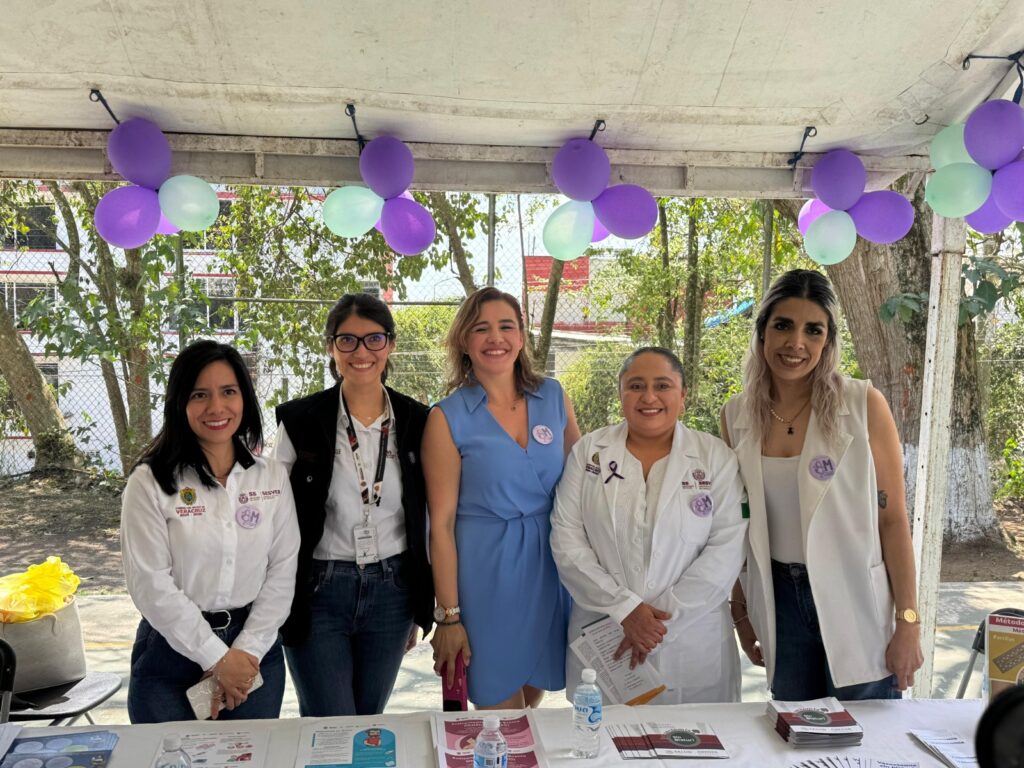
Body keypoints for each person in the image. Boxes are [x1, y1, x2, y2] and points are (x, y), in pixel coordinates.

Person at [721, 269, 923, 701]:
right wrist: (741, 611)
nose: (796, 343)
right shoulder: (735, 416)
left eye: (813, 330)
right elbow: (735, 527)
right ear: (762, 332)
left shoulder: (863, 404)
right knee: (796, 730)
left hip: (855, 596)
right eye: (783, 325)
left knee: (867, 733)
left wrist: (908, 621)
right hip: (778, 600)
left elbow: (892, 519)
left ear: (828, 342)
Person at [551, 347, 746, 704]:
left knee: (695, 736)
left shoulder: (715, 457)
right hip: (606, 634)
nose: (649, 397)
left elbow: (727, 548)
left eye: (663, 385)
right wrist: (625, 609)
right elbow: (567, 539)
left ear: (683, 394)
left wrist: (654, 625)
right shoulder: (589, 452)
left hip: (691, 641)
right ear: (621, 393)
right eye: (636, 386)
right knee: (605, 737)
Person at [272, 293, 433, 716]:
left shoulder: (417, 421)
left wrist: (420, 602)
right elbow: (272, 511)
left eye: (374, 339)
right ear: (331, 347)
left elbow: (431, 515)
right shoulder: (300, 421)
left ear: (390, 344)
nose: (361, 352)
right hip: (319, 588)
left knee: (368, 722)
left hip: (393, 591)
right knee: (330, 723)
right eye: (347, 340)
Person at [121, 340, 299, 723]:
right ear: (179, 403)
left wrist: (244, 653)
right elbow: (150, 583)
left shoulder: (271, 477)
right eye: (199, 395)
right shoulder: (149, 483)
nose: (217, 407)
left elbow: (283, 571)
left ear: (245, 398)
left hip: (255, 651)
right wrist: (215, 657)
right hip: (170, 655)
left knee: (254, 754)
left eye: (228, 392)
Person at [424, 286, 581, 709]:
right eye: (481, 328)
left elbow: (585, 488)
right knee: (500, 716)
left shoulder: (554, 397)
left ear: (522, 336)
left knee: (531, 702)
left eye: (506, 326)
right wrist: (448, 616)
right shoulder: (446, 417)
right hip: (485, 577)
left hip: (549, 568)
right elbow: (440, 526)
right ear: (464, 341)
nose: (495, 338)